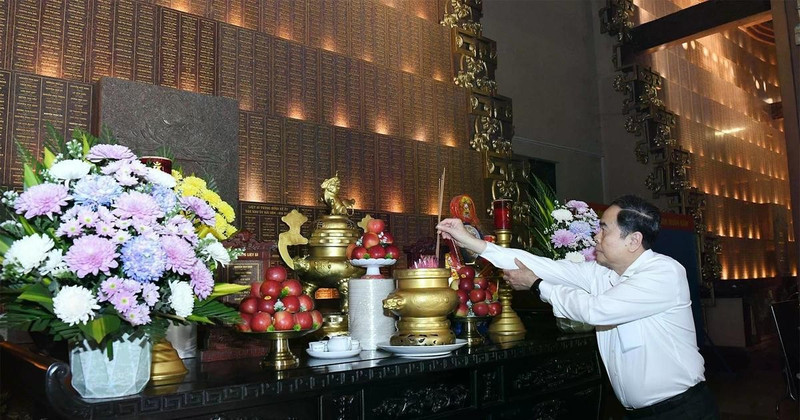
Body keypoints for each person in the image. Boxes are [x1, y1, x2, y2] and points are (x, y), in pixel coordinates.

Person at [437, 195, 719, 420]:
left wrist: (537, 286)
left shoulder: (664, 272)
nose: (596, 237)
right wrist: (471, 241)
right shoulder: (602, 273)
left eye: (605, 229)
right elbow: (541, 265)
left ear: (634, 240)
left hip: (681, 410)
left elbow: (597, 310)